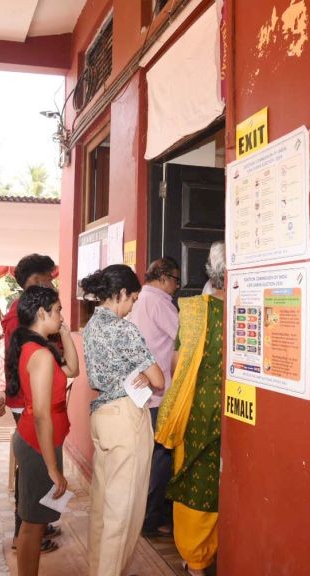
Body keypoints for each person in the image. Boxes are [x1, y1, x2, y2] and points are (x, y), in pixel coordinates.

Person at [80, 264, 165, 576]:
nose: (133, 306)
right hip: (126, 419)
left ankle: (97, 570)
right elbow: (158, 380)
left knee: (103, 507)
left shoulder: (90, 326)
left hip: (102, 417)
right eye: (133, 298)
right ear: (121, 294)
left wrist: (137, 372)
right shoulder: (123, 329)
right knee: (124, 511)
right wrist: (142, 372)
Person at [155, 242, 226, 576]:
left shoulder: (195, 309)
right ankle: (211, 551)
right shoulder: (252, 307)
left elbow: (176, 361)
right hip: (237, 412)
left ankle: (195, 558)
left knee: (194, 478)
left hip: (197, 407)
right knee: (219, 481)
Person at [5, 285, 79, 576]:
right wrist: (52, 467)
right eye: (58, 310)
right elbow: (41, 416)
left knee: (34, 522)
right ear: (41, 312)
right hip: (39, 444)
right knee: (33, 525)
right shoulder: (40, 355)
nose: (61, 315)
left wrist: (65, 333)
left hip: (44, 442)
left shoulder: (39, 348)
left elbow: (73, 369)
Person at [3, 253, 62, 551]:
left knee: (37, 469)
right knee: (32, 468)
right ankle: (24, 530)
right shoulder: (19, 315)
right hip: (27, 401)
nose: (52, 283)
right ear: (35, 281)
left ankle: (37, 524)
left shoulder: (31, 312)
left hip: (34, 398)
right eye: (48, 279)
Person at [128, 257, 181, 537]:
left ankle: (143, 517)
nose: (176, 287)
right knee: (160, 458)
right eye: (175, 280)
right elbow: (184, 337)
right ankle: (151, 519)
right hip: (159, 393)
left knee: (147, 457)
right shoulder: (159, 302)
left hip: (139, 393)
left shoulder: (136, 300)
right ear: (162, 277)